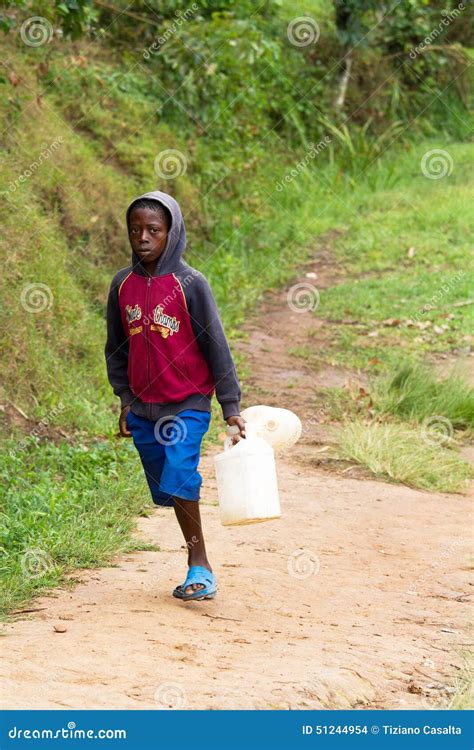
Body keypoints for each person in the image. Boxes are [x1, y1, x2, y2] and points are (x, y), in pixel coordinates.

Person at [105, 190, 245, 602]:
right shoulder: (122, 285)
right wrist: (125, 399)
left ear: (173, 233)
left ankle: (199, 566)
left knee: (181, 475)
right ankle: (191, 536)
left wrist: (230, 405)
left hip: (187, 402)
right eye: (136, 230)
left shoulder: (190, 284)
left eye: (154, 230)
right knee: (165, 488)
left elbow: (216, 345)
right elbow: (116, 346)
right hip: (144, 407)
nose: (143, 238)